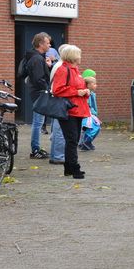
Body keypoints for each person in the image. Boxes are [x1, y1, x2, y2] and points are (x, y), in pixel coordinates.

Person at [51, 45, 91, 179]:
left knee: (73, 139)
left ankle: (68, 168)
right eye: (79, 55)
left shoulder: (75, 70)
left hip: (77, 109)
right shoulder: (63, 70)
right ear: (73, 56)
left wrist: (85, 91)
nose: (80, 57)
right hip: (69, 110)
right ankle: (74, 168)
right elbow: (57, 90)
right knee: (72, 140)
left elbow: (78, 87)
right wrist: (77, 92)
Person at [23, 32, 53, 159]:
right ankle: (35, 150)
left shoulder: (36, 57)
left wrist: (48, 67)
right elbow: (38, 79)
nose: (49, 45)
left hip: (37, 92)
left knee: (38, 122)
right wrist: (47, 89)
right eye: (48, 43)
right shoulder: (37, 59)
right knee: (38, 122)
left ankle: (36, 148)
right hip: (39, 93)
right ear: (41, 44)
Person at [48, 44, 68, 166]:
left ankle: (55, 155)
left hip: (55, 100)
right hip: (60, 100)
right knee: (59, 129)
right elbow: (59, 88)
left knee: (56, 128)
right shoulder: (61, 67)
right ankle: (58, 156)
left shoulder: (57, 65)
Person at [78, 75, 101, 151]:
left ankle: (86, 142)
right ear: (88, 85)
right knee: (92, 128)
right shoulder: (87, 94)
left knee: (92, 128)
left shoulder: (92, 93)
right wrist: (93, 113)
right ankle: (85, 142)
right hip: (87, 114)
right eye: (94, 84)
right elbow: (88, 105)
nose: (96, 85)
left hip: (91, 114)